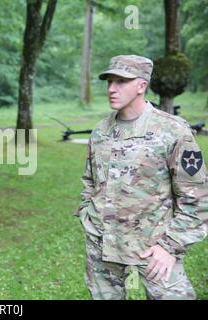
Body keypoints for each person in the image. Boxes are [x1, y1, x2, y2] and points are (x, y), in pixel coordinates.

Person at [75, 55, 208, 300]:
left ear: (141, 85)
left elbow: (197, 197)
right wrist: (87, 212)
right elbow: (90, 180)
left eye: (121, 82)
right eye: (109, 82)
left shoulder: (173, 131)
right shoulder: (101, 131)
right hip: (103, 245)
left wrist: (169, 247)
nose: (112, 89)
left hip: (153, 247)